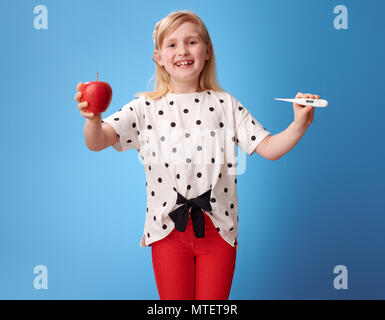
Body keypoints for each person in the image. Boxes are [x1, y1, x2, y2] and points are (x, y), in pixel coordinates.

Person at [74, 10, 319, 300]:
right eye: (172, 44)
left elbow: (269, 148)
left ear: (207, 51)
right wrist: (93, 117)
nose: (182, 51)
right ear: (158, 56)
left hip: (219, 232)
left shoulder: (226, 104)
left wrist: (299, 124)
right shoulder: (143, 108)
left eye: (191, 42)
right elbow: (97, 141)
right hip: (166, 231)